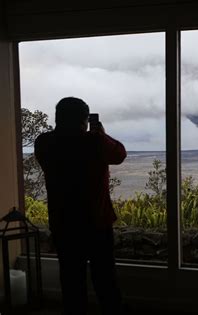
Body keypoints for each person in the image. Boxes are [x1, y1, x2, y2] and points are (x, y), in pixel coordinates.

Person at [35, 97, 127, 315]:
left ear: (58, 118)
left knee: (71, 281)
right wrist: (101, 134)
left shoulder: (44, 143)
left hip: (63, 222)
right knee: (105, 280)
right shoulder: (94, 142)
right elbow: (119, 154)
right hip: (96, 223)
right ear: (84, 121)